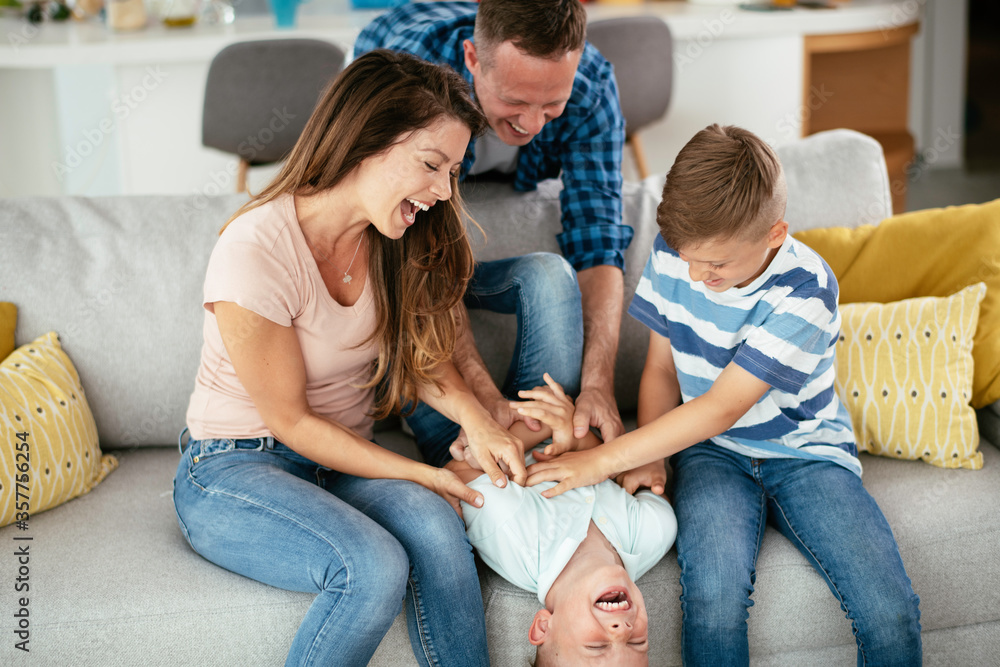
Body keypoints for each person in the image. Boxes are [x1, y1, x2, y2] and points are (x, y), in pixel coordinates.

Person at [172, 50, 528, 667]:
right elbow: (290, 422)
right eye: (431, 165)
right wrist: (419, 472)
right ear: (368, 140)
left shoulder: (391, 238)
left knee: (441, 532)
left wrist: (479, 421)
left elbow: (421, 360)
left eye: (452, 172)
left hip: (339, 463)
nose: (444, 192)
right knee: (371, 565)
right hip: (235, 467)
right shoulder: (257, 246)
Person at [524, 124, 923, 665]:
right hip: (712, 456)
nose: (695, 274)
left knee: (889, 609)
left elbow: (721, 407)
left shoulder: (807, 289)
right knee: (712, 600)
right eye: (688, 258)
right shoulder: (676, 253)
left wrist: (598, 462)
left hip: (807, 455)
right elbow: (662, 369)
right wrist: (659, 454)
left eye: (715, 265)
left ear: (774, 235)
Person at [354, 0, 633, 468]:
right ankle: (472, 451)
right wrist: (479, 399)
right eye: (516, 101)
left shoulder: (591, 85)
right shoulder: (410, 80)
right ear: (471, 59)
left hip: (455, 268)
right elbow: (416, 255)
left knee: (552, 273)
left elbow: (598, 239)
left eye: (552, 105)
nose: (532, 123)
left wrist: (599, 388)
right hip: (410, 264)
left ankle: (522, 444)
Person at [446, 374, 676, 666]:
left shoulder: (514, 536)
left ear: (544, 626)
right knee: (564, 363)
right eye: (637, 642)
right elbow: (630, 471)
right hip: (563, 404)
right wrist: (577, 436)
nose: (622, 629)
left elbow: (459, 468)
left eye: (596, 646)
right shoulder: (654, 532)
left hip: (466, 423)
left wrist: (554, 426)